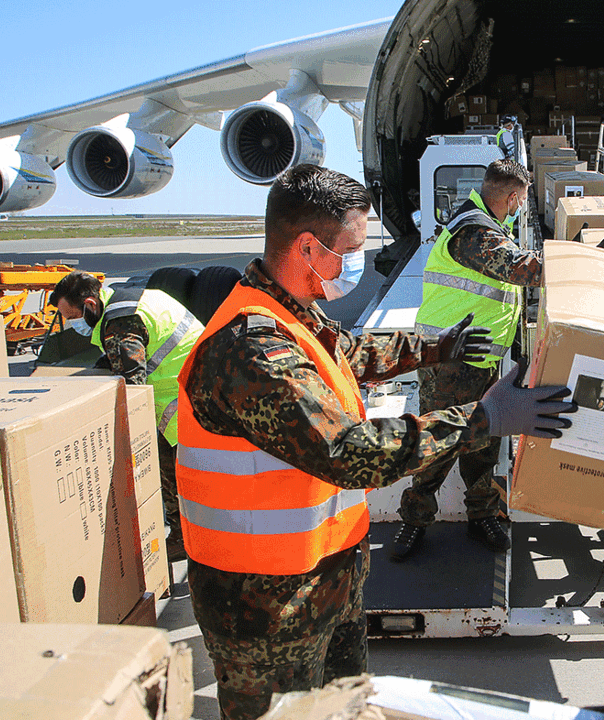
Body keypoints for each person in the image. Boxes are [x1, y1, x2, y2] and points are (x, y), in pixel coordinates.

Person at [175, 164, 575, 720]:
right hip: (264, 608)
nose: (359, 261)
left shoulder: (294, 314)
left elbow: (352, 355)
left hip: (327, 580)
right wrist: (482, 418)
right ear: (310, 249)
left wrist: (435, 347)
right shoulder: (251, 349)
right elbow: (350, 452)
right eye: (352, 248)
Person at [392, 159, 542, 561]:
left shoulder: (492, 229)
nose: (520, 208)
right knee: (438, 442)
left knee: (483, 442)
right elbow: (518, 269)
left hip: (480, 359)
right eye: (521, 201)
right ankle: (414, 520)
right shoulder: (473, 232)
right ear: (511, 196)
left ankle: (482, 514)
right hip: (450, 361)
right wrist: (578, 265)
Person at [50, 270, 204, 570]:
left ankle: (186, 535)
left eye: (72, 317)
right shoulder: (126, 300)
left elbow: (132, 384)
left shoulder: (121, 323)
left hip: (181, 394)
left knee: (169, 468)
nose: (72, 325)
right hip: (193, 378)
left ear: (91, 305)